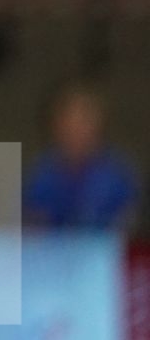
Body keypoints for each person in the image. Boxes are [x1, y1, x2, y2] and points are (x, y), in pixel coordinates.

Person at [24, 85, 138, 232]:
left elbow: (129, 226)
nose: (77, 132)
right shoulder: (41, 175)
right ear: (57, 127)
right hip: (54, 251)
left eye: (84, 124)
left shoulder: (120, 175)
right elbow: (32, 226)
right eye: (70, 124)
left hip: (105, 250)